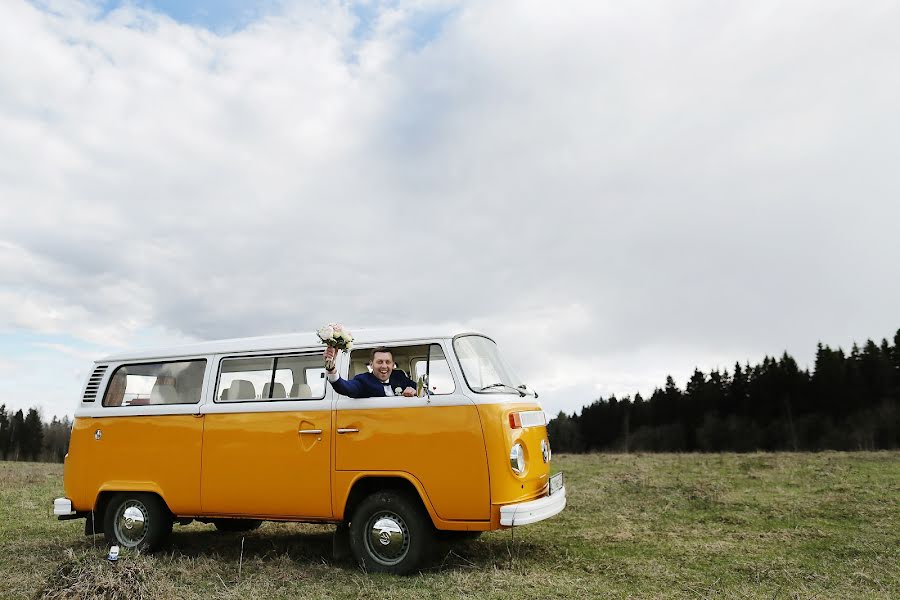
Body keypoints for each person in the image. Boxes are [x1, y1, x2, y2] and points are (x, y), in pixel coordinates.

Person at [324, 345, 416, 398]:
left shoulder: (399, 377)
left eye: (388, 362)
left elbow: (424, 392)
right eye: (379, 362)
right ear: (371, 364)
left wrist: (415, 392)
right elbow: (344, 387)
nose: (384, 366)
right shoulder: (363, 380)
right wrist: (331, 368)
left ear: (393, 365)